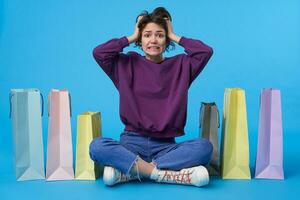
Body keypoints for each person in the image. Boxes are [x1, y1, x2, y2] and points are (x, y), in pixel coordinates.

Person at [90, 7, 214, 187]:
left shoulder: (182, 65)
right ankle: (162, 174)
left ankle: (130, 172)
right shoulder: (125, 64)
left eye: (160, 35)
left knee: (204, 148)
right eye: (147, 35)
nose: (153, 40)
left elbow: (205, 52)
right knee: (97, 146)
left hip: (166, 148)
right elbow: (99, 52)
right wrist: (132, 36)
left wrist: (174, 34)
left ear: (166, 40)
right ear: (140, 39)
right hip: (130, 144)